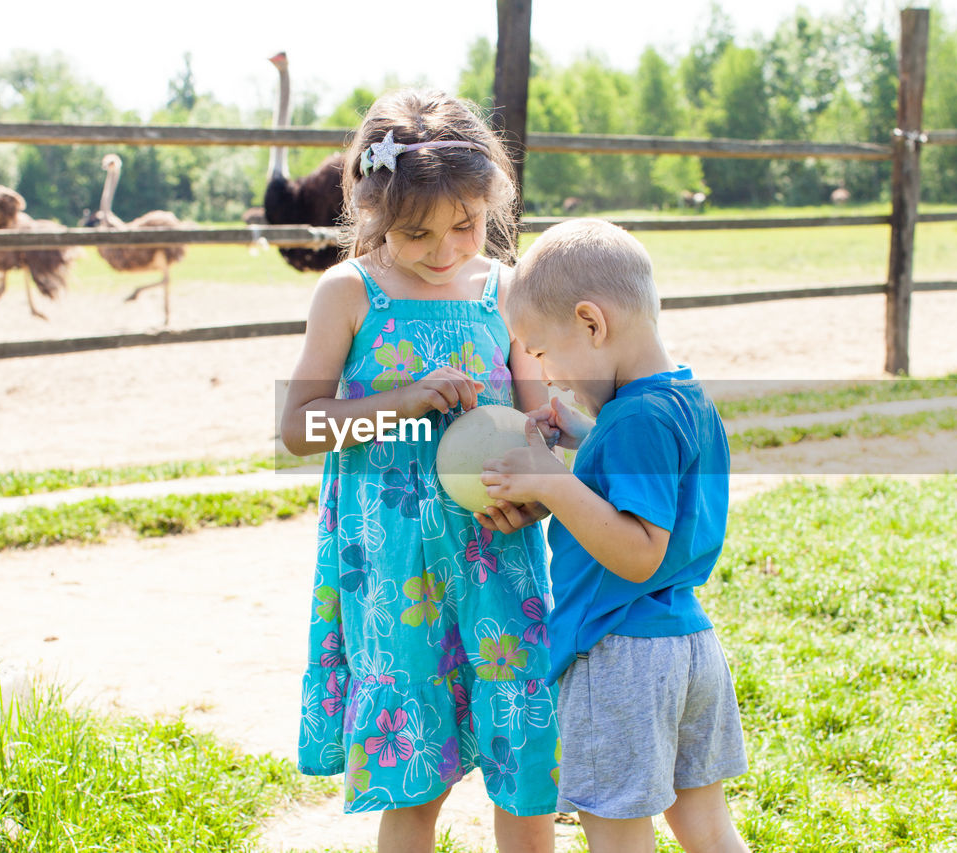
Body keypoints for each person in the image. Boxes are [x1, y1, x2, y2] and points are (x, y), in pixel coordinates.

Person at [279, 89, 559, 853]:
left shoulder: (506, 290)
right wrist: (399, 403)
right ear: (373, 213)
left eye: (465, 226)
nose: (443, 250)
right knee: (415, 774)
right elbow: (299, 427)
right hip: (393, 569)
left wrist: (537, 486)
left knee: (525, 755)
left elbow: (544, 420)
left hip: (497, 554)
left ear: (491, 203)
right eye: (416, 233)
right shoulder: (348, 292)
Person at [477, 218, 750, 853]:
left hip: (621, 654)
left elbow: (637, 551)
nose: (543, 375)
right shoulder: (680, 400)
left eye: (542, 351)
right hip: (687, 644)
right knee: (708, 829)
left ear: (592, 323)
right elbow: (653, 485)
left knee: (617, 833)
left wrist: (550, 482)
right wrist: (579, 438)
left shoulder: (634, 421)